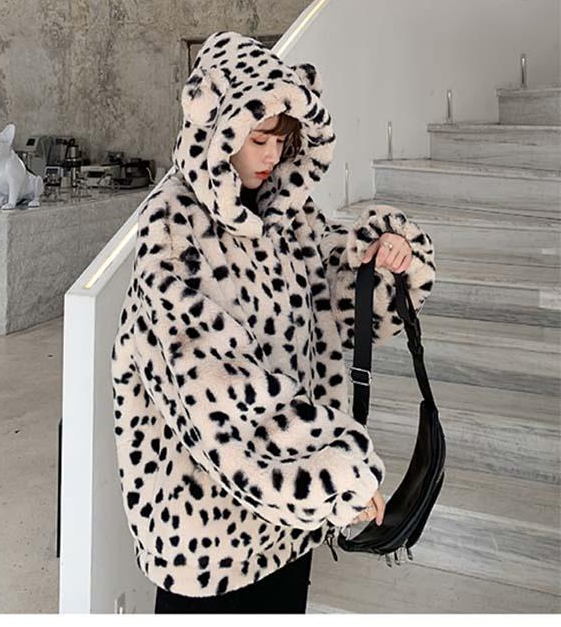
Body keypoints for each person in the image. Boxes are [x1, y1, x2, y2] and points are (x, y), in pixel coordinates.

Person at [110, 30, 436, 614]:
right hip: (209, 537)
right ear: (216, 130)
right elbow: (215, 394)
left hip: (287, 523)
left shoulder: (288, 214)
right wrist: (334, 471)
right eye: (259, 138)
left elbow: (332, 301)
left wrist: (379, 260)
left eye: (283, 140)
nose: (271, 155)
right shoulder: (172, 227)